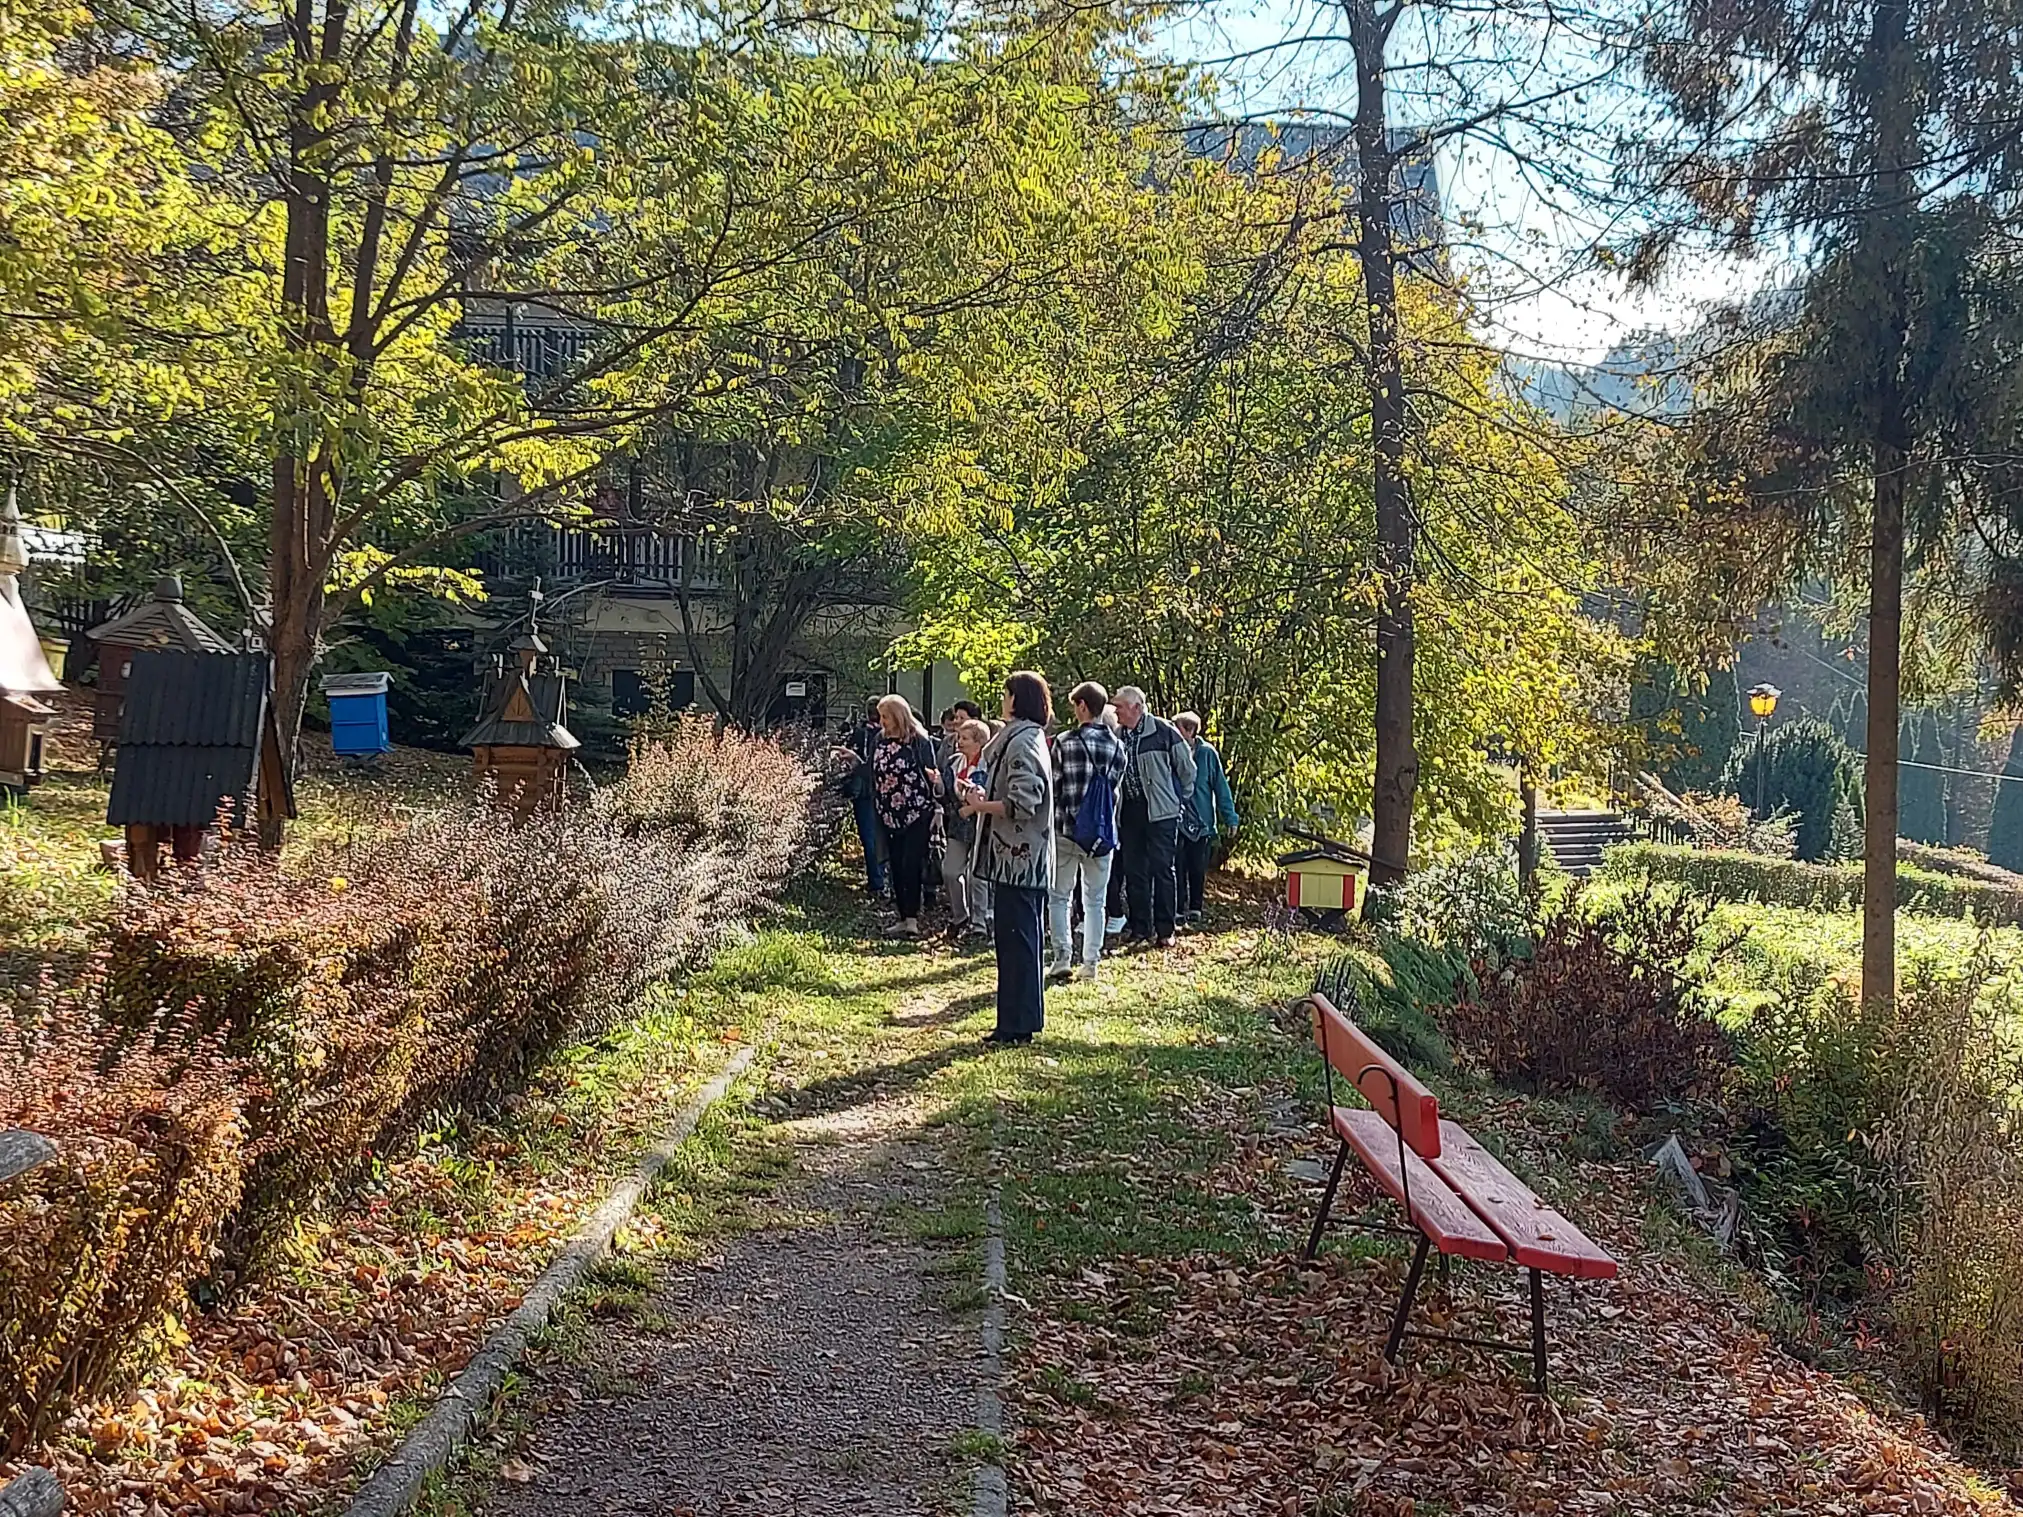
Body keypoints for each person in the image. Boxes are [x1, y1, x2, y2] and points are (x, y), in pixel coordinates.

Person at [961, 671, 1055, 1044]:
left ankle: (1017, 1025)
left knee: (1018, 945)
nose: (1002, 700)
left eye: (1006, 694)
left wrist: (979, 805)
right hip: (1016, 859)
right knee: (1017, 944)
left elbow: (1024, 801)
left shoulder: (1022, 742)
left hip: (1020, 860)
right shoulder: (1022, 739)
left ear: (1017, 700)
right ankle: (1017, 1022)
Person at [1047, 681, 1126, 982]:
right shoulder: (1118, 747)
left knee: (1060, 896)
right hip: (1102, 833)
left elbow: (1055, 787)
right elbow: (1114, 790)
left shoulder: (1065, 742)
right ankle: (1091, 962)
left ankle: (1062, 956)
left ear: (1082, 706)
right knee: (1096, 901)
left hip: (1067, 830)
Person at [1112, 685, 1196, 948]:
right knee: (1135, 871)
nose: (1116, 711)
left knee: (1162, 869)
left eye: (1120, 707)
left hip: (1162, 812)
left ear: (1137, 707)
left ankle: (1165, 930)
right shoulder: (1118, 735)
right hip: (1131, 809)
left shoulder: (1163, 731)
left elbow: (1187, 768)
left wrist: (1178, 798)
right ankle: (1140, 929)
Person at [869, 694, 939, 938]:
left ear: (898, 716)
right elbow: (872, 769)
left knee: (911, 863)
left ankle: (912, 918)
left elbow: (930, 771)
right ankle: (901, 915)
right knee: (895, 864)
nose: (882, 721)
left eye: (886, 716)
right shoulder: (879, 740)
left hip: (916, 810)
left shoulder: (918, 740)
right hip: (888, 812)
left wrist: (936, 802)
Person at [1172, 712, 1238, 926]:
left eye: (1178, 728)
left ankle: (1195, 907)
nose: (1173, 732)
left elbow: (1221, 786)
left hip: (1202, 823)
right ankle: (1178, 908)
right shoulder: (1171, 751)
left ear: (1190, 731)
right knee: (1177, 866)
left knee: (1197, 868)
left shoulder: (1207, 754)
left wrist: (1231, 818)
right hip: (1177, 820)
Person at [938, 717, 993, 939]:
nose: (959, 742)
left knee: (977, 875)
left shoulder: (990, 764)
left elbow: (994, 793)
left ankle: (979, 923)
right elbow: (945, 794)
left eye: (964, 738)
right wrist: (938, 784)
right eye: (959, 737)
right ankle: (960, 917)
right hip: (958, 823)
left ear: (979, 741)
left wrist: (973, 807)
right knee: (950, 870)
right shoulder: (953, 762)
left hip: (984, 824)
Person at [830, 697, 887, 895]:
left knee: (869, 836)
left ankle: (876, 880)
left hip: (863, 791)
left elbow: (839, 742)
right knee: (883, 836)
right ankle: (884, 879)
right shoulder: (887, 735)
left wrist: (848, 722)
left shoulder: (859, 733)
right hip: (885, 792)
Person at [1100, 703, 1128, 938]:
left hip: (1111, 822)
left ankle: (1116, 913)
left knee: (1111, 873)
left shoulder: (1114, 748)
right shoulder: (1118, 747)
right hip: (1108, 821)